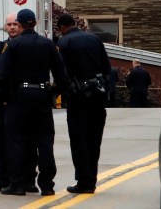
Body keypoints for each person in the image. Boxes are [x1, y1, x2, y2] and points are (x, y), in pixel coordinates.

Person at [0, 9, 67, 197]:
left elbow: (3, 75)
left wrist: (6, 97)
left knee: (16, 141)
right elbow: (61, 75)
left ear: (19, 24)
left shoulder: (13, 45)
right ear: (35, 23)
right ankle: (47, 185)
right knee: (44, 141)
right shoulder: (48, 45)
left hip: (18, 96)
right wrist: (52, 93)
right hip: (41, 95)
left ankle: (17, 184)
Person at [0, 13, 37, 193]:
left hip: (25, 101)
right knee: (3, 142)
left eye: (15, 24)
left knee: (29, 142)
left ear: (22, 26)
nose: (12, 27)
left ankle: (28, 179)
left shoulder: (31, 45)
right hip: (4, 103)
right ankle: (3, 178)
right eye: (9, 24)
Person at [56, 13, 111, 194]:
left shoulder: (64, 43)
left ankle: (83, 181)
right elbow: (106, 67)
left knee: (79, 140)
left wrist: (59, 94)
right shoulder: (95, 39)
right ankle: (92, 179)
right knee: (94, 140)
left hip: (78, 98)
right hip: (97, 96)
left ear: (62, 28)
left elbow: (62, 74)